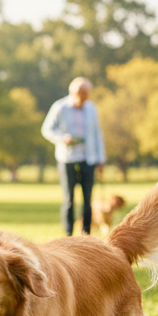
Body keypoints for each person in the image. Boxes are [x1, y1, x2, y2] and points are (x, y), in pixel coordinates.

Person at [40, 77, 106, 235]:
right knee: (69, 198)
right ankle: (68, 234)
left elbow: (97, 133)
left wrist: (100, 159)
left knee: (87, 198)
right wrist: (62, 139)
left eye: (86, 93)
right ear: (73, 92)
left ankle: (86, 234)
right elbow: (47, 129)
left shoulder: (91, 108)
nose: (83, 97)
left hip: (88, 158)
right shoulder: (60, 107)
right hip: (67, 158)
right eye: (81, 93)